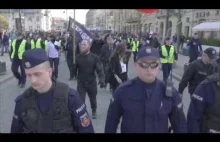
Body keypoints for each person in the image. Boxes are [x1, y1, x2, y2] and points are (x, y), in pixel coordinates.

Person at [105, 47, 187, 133]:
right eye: (144, 64)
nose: (149, 69)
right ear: (136, 66)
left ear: (158, 66)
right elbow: (111, 124)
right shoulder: (122, 91)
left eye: (153, 64)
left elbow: (180, 126)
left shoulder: (170, 93)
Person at [11, 48, 94, 133]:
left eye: (37, 74)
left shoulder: (70, 97)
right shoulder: (22, 101)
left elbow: (86, 129)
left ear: (49, 72)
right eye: (29, 75)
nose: (33, 80)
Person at [74, 40, 106, 119]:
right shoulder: (77, 58)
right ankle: (82, 112)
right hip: (81, 83)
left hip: (92, 82)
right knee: (80, 100)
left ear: (89, 46)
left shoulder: (94, 57)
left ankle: (94, 110)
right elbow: (74, 72)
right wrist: (73, 66)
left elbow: (100, 69)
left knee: (93, 99)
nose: (82, 46)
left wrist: (102, 80)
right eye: (81, 45)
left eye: (84, 44)